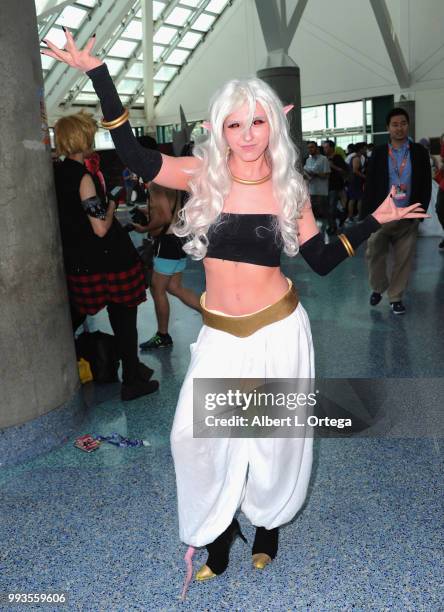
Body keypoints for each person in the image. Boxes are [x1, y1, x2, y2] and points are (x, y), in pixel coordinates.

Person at [42, 31, 429, 592]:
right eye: (234, 124)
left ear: (275, 124)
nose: (247, 136)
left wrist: (378, 216)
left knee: (273, 438)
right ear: (219, 128)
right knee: (193, 437)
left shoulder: (289, 188)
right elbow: (132, 155)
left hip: (278, 329)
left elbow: (320, 259)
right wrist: (100, 71)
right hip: (221, 334)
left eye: (258, 122)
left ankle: (267, 525)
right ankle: (218, 529)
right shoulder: (202, 176)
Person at [52, 110, 159, 401]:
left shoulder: (55, 172)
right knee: (124, 322)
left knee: (80, 313)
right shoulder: (83, 176)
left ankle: (132, 368)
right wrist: (111, 202)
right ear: (82, 138)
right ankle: (132, 380)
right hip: (109, 261)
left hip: (81, 262)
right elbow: (100, 226)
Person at [361, 108, 432, 314]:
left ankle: (395, 296)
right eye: (395, 124)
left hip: (408, 214)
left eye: (403, 123)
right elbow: (371, 183)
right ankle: (378, 287)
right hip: (382, 215)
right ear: (388, 128)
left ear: (407, 125)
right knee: (374, 252)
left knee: (404, 259)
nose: (399, 128)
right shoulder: (380, 152)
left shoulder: (419, 152)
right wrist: (366, 216)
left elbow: (425, 184)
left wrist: (420, 212)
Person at [132, 182, 201, 349]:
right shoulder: (172, 183)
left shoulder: (156, 186)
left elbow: (164, 218)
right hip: (179, 237)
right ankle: (212, 315)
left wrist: (144, 229)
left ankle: (162, 336)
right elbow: (170, 210)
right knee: (175, 287)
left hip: (167, 242)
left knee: (157, 288)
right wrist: (148, 211)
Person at [303, 141, 330, 232]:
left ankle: (326, 230)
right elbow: (306, 175)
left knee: (323, 213)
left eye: (312, 147)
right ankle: (314, 232)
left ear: (317, 148)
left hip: (321, 191)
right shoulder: (308, 160)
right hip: (311, 190)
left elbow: (327, 175)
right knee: (312, 213)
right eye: (308, 148)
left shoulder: (323, 159)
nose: (310, 149)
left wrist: (315, 174)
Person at [323, 140, 348, 234]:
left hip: (335, 185)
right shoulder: (324, 158)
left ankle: (333, 227)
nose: (324, 149)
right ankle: (341, 216)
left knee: (331, 207)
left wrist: (333, 166)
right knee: (327, 207)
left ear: (332, 148)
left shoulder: (337, 157)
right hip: (326, 186)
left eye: (326, 147)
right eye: (324, 147)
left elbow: (344, 171)